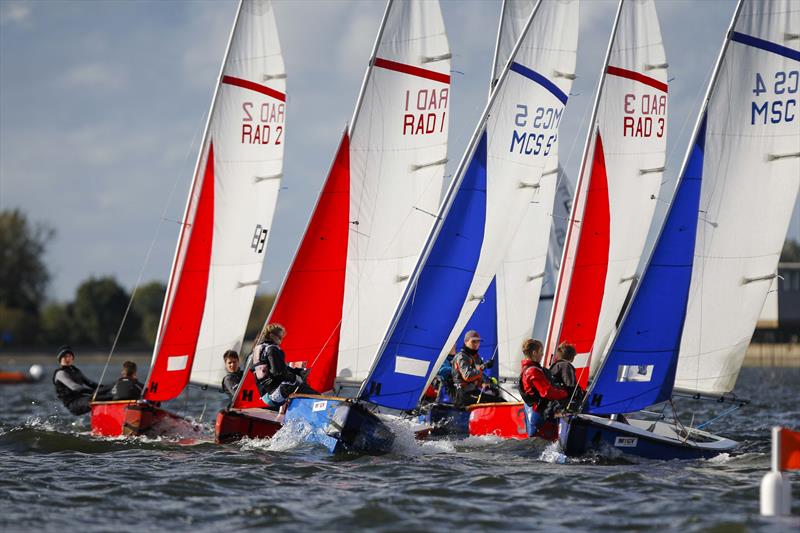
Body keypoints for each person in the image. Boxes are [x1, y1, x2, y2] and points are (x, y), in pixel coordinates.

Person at [252, 323, 318, 410]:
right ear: (271, 335)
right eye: (279, 337)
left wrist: (299, 372)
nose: (281, 340)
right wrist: (296, 378)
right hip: (277, 393)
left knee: (299, 386)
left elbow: (278, 369)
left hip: (266, 396)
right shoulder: (272, 349)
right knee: (316, 396)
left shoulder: (258, 350)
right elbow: (278, 373)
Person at [519, 339, 568, 438]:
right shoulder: (533, 371)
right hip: (540, 413)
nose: (542, 355)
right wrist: (564, 393)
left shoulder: (526, 368)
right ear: (534, 353)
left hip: (533, 411)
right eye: (541, 352)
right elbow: (546, 392)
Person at [52, 346, 109, 415]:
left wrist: (108, 388)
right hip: (72, 404)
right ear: (60, 359)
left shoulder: (76, 371)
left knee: (105, 397)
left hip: (82, 399)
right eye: (65, 357)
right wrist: (95, 392)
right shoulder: (60, 373)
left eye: (69, 356)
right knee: (94, 399)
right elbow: (75, 387)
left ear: (72, 358)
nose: (68, 359)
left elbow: (90, 383)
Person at [452, 331, 496, 408]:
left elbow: (479, 376)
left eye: (478, 342)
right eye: (473, 341)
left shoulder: (476, 358)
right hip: (463, 395)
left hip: (473, 392)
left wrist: (486, 384)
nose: (476, 344)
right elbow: (467, 376)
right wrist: (484, 366)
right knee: (496, 401)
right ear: (466, 342)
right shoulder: (461, 357)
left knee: (497, 396)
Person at [549, 342, 585, 407]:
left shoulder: (555, 366)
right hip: (562, 402)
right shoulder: (566, 366)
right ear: (572, 357)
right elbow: (571, 386)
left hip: (554, 400)